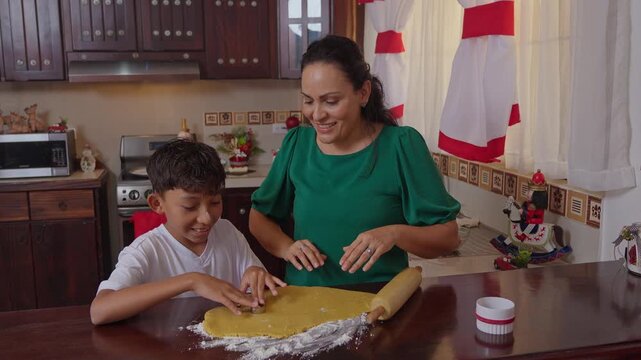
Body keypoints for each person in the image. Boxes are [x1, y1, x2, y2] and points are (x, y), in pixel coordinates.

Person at [249, 35, 461, 287]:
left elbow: (448, 237)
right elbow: (259, 217)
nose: (316, 114)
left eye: (331, 101)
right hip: (306, 302)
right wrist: (286, 247)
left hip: (381, 304)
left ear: (363, 93)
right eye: (308, 100)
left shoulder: (401, 145)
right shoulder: (297, 144)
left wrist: (395, 233)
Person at [90, 140, 285, 325]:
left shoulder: (227, 233)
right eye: (190, 206)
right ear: (157, 204)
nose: (206, 218)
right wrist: (192, 281)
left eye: (215, 202)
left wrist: (255, 273)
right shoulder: (147, 251)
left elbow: (256, 286)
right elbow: (100, 311)